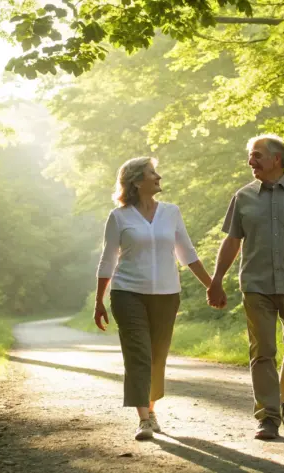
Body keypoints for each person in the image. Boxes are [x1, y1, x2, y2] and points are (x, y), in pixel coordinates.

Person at [207, 134, 284, 440]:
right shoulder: (243, 197)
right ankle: (268, 416)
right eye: (251, 156)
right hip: (256, 285)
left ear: (276, 159)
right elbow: (232, 241)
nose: (251, 161)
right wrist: (216, 280)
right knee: (262, 352)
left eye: (257, 155)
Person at [95, 157, 212, 441]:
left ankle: (151, 409)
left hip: (166, 295)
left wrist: (212, 285)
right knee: (139, 354)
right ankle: (144, 420)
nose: (158, 177)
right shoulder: (119, 216)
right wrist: (100, 300)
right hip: (127, 294)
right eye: (152, 173)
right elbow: (108, 258)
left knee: (157, 356)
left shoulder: (171, 212)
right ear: (136, 181)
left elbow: (187, 253)